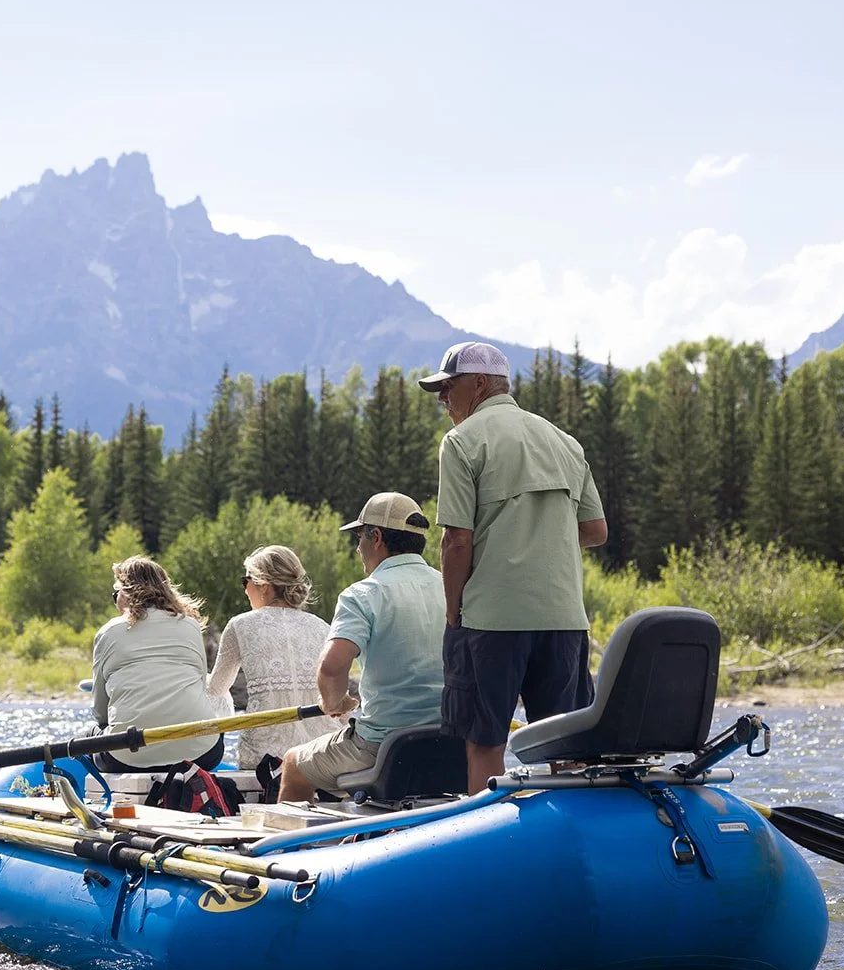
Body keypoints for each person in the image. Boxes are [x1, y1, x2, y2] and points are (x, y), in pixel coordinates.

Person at [417, 341, 609, 794]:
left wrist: (452, 613)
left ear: (479, 383)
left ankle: (486, 841)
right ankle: (571, 835)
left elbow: (456, 541)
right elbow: (596, 530)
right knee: (564, 747)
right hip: (564, 620)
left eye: (447, 388)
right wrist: (546, 537)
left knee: (485, 740)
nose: (443, 399)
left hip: (491, 622)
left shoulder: (461, 442)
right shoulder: (565, 442)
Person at [277, 493, 446, 802]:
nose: (358, 548)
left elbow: (331, 669)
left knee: (292, 765)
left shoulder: (363, 594)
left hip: (383, 747)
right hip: (449, 743)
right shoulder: (451, 587)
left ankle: (293, 850)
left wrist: (334, 701)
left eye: (359, 537)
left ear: (377, 537)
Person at [204, 545, 340, 769]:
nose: (245, 589)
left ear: (264, 587)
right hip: (323, 752)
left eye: (245, 581)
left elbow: (216, 689)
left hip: (266, 755)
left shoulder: (240, 625)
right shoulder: (323, 627)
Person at [91, 555, 223, 772]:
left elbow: (100, 712)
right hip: (201, 753)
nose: (115, 602)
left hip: (127, 757)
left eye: (116, 594)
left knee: (92, 733)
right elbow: (200, 685)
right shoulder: (190, 625)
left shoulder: (109, 631)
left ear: (126, 593)